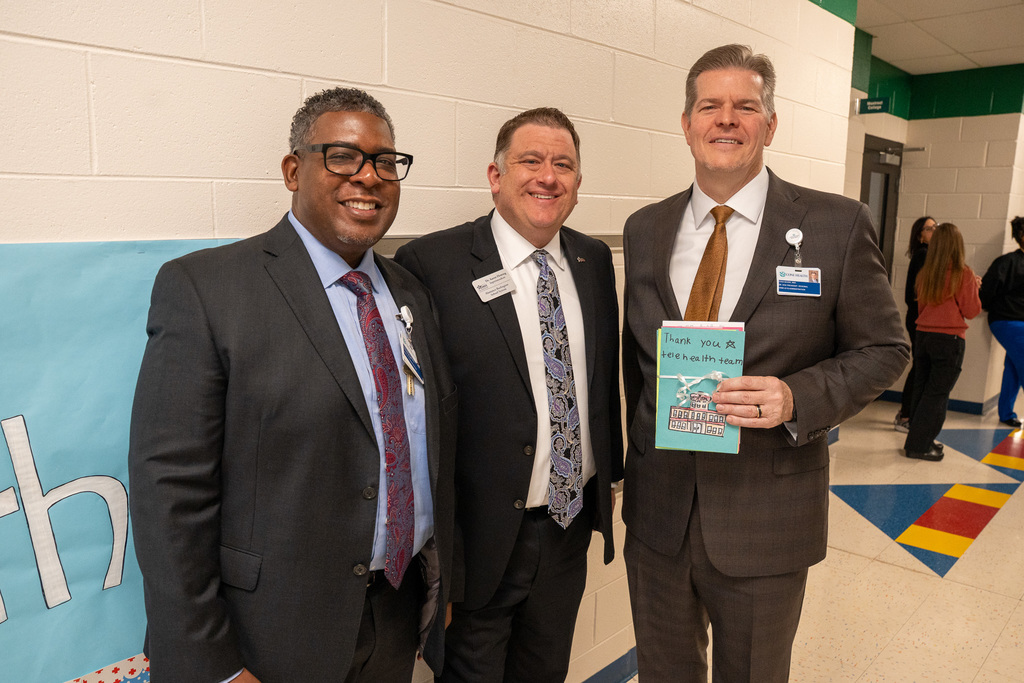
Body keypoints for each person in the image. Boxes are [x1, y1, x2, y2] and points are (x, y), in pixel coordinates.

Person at [128, 87, 458, 683]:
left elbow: (427, 449)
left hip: (396, 613)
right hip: (269, 637)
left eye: (386, 163)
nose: (369, 177)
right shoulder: (207, 290)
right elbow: (169, 496)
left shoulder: (409, 293)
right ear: (292, 170)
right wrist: (214, 666)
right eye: (342, 157)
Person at [620, 44, 909, 682]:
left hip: (766, 516)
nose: (726, 120)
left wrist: (795, 397)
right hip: (659, 511)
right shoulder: (645, 228)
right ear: (688, 123)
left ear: (770, 125)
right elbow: (636, 368)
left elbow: (887, 349)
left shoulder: (834, 224)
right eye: (710, 106)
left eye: (745, 106)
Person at [394, 107, 623, 682]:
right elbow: (417, 416)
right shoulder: (433, 264)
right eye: (531, 161)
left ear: (577, 183)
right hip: (481, 538)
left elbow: (600, 376)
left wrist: (610, 476)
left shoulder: (593, 260)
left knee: (547, 672)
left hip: (569, 528)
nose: (548, 176)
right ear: (495, 176)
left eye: (563, 164)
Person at [903, 222, 981, 460]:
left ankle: (917, 440)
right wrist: (974, 288)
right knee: (937, 395)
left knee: (922, 389)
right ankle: (919, 446)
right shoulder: (963, 273)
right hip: (949, 340)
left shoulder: (926, 274)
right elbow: (972, 310)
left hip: (924, 336)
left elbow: (923, 307)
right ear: (957, 246)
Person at [894, 216, 937, 432]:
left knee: (921, 365)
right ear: (920, 234)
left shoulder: (930, 255)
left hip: (922, 317)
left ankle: (908, 413)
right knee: (920, 365)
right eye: (930, 228)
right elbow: (915, 294)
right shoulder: (923, 255)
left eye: (936, 226)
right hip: (919, 318)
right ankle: (905, 415)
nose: (935, 230)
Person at [980, 216, 1024, 429]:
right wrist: (988, 306)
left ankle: (1006, 413)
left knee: (1014, 367)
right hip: (1008, 322)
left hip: (1018, 324)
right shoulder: (1007, 262)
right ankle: (1006, 411)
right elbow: (987, 290)